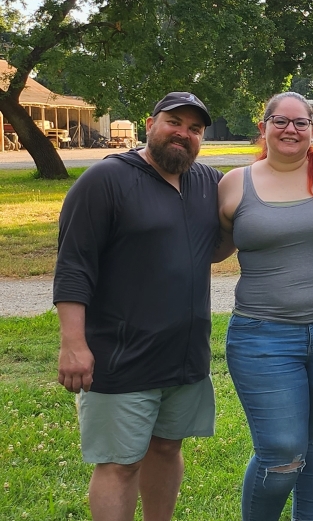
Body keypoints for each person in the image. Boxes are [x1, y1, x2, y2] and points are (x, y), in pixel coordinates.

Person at [54, 92, 219, 521]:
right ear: (150, 124)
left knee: (167, 447)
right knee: (120, 463)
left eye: (194, 128)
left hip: (184, 353)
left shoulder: (207, 183)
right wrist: (74, 343)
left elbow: (217, 241)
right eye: (174, 122)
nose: (183, 133)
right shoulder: (105, 180)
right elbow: (73, 267)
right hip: (120, 354)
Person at [214, 92, 313, 520]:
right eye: (281, 121)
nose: (291, 130)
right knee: (281, 450)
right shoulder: (235, 183)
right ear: (263, 127)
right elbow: (214, 249)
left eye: (301, 123)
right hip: (263, 336)